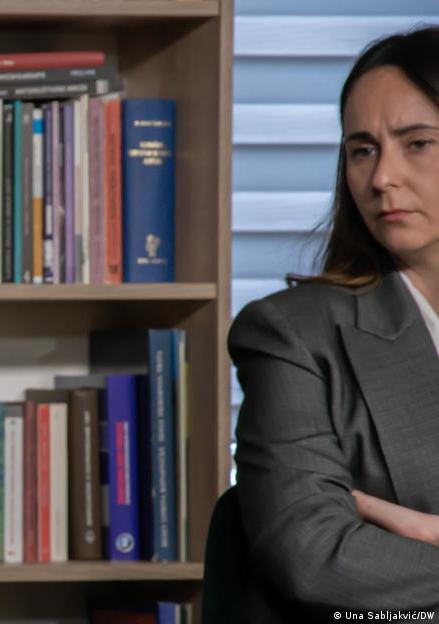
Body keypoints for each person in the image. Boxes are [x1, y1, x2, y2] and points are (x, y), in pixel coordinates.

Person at [229, 26, 439, 622]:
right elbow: (313, 554)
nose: (382, 177)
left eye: (418, 143)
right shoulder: (290, 334)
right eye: (362, 149)